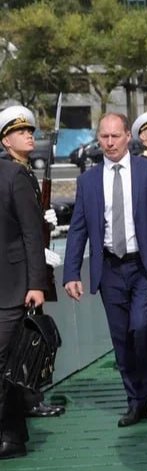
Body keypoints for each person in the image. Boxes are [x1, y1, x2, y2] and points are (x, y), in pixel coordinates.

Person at [63, 113, 147, 427]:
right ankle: (135, 401)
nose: (109, 143)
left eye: (115, 136)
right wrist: (71, 273)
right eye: (104, 137)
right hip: (109, 268)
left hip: (143, 266)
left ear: (127, 137)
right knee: (121, 338)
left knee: (141, 329)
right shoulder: (88, 181)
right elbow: (78, 228)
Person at [0, 105, 62, 418]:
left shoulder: (21, 171)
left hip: (20, 275)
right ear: (5, 140)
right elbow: (26, 233)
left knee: (26, 344)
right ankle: (23, 406)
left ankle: (29, 400)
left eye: (29, 130)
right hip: (17, 278)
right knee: (19, 348)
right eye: (19, 131)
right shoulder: (15, 174)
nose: (28, 135)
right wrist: (36, 281)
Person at [0, 157, 47, 459]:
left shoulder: (13, 175)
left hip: (12, 287)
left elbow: (32, 233)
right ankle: (13, 436)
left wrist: (37, 284)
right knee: (7, 368)